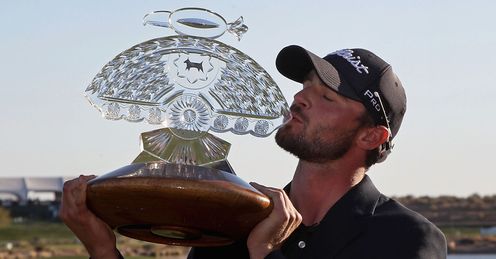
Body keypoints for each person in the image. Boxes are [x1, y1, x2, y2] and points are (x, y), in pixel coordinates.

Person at [60, 45, 447, 259]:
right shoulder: (227, 224)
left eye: (325, 95)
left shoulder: (406, 239)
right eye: (304, 87)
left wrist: (264, 253)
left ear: (370, 137)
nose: (299, 98)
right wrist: (101, 248)